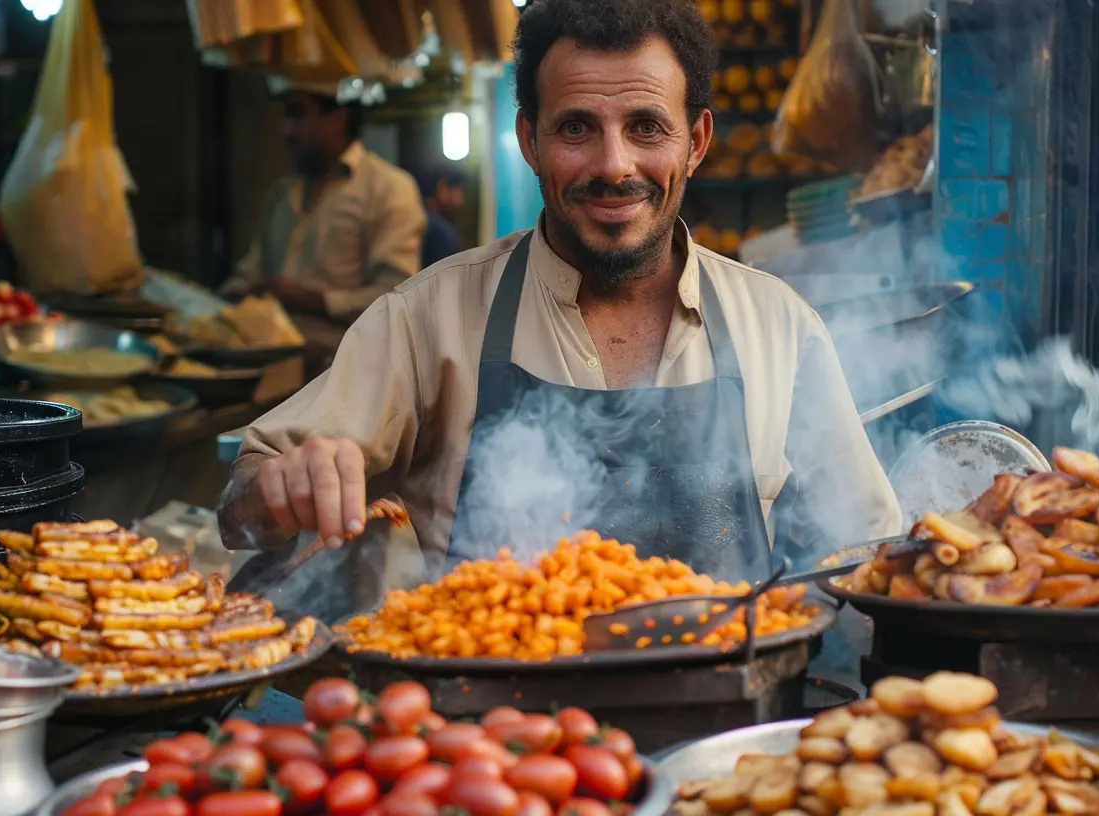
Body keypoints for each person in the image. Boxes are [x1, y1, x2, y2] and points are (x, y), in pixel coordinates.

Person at [219, 0, 901, 595]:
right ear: (529, 141)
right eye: (577, 128)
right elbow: (241, 505)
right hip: (493, 733)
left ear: (695, 142)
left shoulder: (780, 328)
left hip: (727, 736)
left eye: (646, 127)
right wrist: (277, 491)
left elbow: (869, 556)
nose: (613, 166)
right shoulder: (428, 318)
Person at [220, 79, 426, 371]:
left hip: (342, 370)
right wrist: (230, 299)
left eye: (297, 115)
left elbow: (398, 298)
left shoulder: (388, 188)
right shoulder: (283, 193)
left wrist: (315, 301)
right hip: (265, 363)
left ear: (338, 117)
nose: (286, 130)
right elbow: (251, 270)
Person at [411, 162, 469, 268]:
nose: (461, 200)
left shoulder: (413, 218)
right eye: (458, 190)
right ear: (441, 187)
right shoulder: (440, 232)